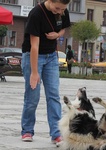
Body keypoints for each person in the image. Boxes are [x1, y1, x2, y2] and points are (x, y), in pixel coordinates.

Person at [21, 0, 71, 145]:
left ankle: (56, 134)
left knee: (54, 96)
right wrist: (34, 73)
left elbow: (64, 30)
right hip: (33, 56)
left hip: (51, 57)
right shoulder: (36, 14)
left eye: (63, 9)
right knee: (32, 96)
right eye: (58, 8)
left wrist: (57, 35)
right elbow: (34, 46)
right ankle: (27, 131)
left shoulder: (62, 10)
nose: (60, 12)